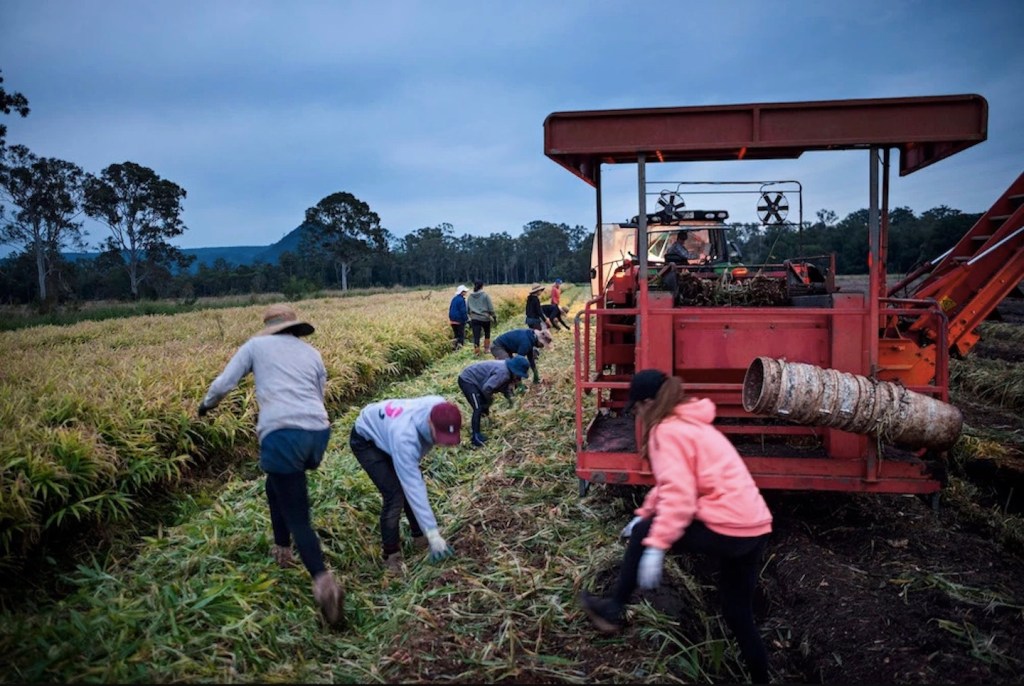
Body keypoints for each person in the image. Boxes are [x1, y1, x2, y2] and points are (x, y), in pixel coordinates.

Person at [577, 369, 773, 684]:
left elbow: (680, 496)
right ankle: (761, 678)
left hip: (729, 526)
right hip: (756, 527)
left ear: (649, 402)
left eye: (638, 407)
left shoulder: (666, 431)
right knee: (738, 612)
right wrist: (645, 512)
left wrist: (656, 542)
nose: (638, 414)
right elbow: (674, 482)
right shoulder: (691, 423)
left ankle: (613, 609)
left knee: (645, 535)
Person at [198, 303, 343, 627]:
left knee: (298, 516)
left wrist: (206, 406)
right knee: (276, 481)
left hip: (282, 435)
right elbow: (319, 393)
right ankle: (282, 549)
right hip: (317, 433)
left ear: (269, 327)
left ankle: (323, 582)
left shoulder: (256, 345)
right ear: (294, 327)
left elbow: (224, 384)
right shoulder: (312, 353)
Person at [349, 395, 461, 575]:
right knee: (395, 495)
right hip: (367, 441)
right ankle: (391, 555)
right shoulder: (405, 437)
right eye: (439, 436)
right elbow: (413, 485)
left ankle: (419, 536)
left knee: (406, 484)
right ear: (429, 422)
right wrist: (433, 533)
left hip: (388, 431)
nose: (441, 443)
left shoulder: (441, 408)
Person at [457, 356, 530, 447]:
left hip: (479, 381)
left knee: (484, 404)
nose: (519, 379)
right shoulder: (503, 373)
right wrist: (489, 400)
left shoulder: (507, 371)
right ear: (514, 370)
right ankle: (475, 437)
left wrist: (512, 401)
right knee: (478, 407)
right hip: (468, 380)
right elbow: (487, 388)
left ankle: (485, 422)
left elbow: (504, 388)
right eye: (519, 376)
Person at [467, 280, 498, 355]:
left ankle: (477, 351)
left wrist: (471, 315)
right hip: (485, 318)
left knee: (476, 335)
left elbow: (467, 309)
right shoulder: (485, 295)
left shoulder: (470, 296)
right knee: (487, 333)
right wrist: (494, 316)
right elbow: (490, 307)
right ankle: (486, 349)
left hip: (474, 318)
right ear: (482, 286)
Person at [448, 284, 469, 350]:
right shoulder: (461, 300)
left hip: (452, 320)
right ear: (461, 292)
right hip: (459, 320)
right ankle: (460, 349)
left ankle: (454, 348)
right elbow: (463, 311)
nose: (466, 292)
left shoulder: (454, 299)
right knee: (461, 336)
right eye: (465, 291)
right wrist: (466, 319)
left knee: (456, 335)